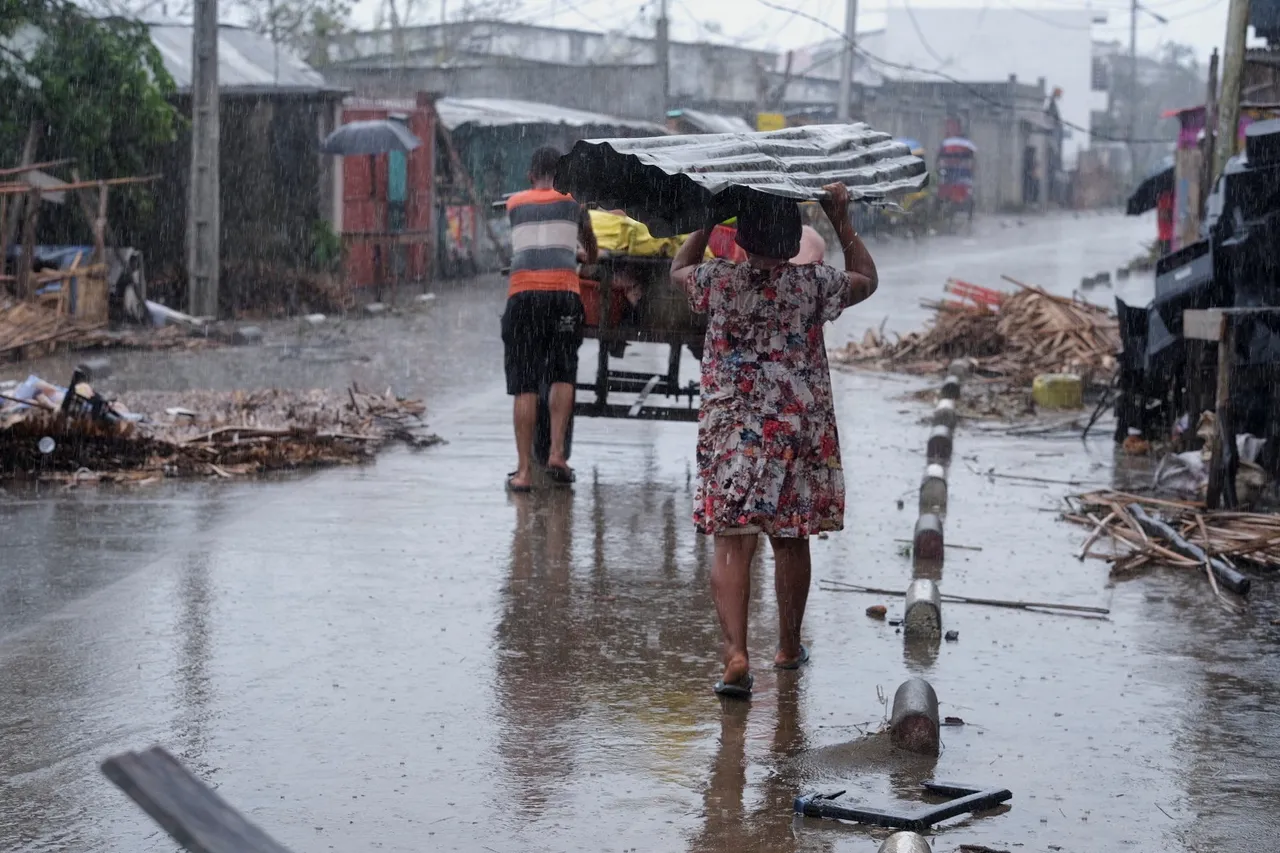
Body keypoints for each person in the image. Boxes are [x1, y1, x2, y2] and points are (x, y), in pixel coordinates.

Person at [670, 184, 878, 699]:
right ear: (791, 239)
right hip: (793, 433)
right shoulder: (811, 285)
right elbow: (868, 280)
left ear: (740, 238)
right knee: (790, 537)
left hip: (733, 433)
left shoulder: (718, 279)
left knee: (732, 540)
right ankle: (786, 646)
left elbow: (677, 271)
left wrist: (704, 219)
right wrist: (841, 219)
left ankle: (736, 653)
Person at [503, 146, 598, 492]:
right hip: (563, 296)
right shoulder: (575, 202)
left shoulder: (514, 203)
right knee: (561, 373)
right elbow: (592, 249)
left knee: (525, 384)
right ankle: (557, 453)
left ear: (531, 176)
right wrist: (583, 252)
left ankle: (525, 472)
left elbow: (529, 240)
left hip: (523, 295)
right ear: (562, 176)